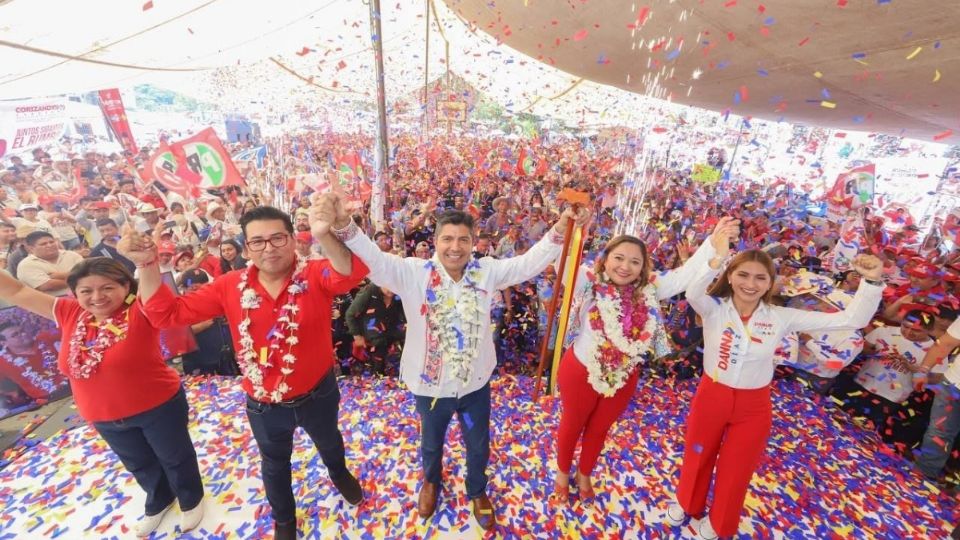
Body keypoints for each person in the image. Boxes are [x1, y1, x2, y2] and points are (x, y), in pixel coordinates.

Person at [332, 192, 589, 531]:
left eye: (463, 240)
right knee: (431, 442)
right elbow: (375, 259)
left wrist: (560, 227)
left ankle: (477, 490)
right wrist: (342, 224)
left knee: (478, 443)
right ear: (435, 240)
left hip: (474, 385)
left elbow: (528, 263)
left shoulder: (487, 271)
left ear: (473, 243)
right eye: (448, 239)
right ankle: (431, 481)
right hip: (428, 385)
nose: (455, 247)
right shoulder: (411, 273)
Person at [120, 204, 369, 540]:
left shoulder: (313, 275)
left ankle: (339, 474)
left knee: (330, 443)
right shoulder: (229, 285)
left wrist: (326, 233)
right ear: (247, 247)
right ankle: (284, 519)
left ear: (294, 239)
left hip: (318, 392)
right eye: (258, 242)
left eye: (278, 238)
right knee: (274, 463)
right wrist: (146, 264)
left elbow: (352, 273)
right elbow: (166, 314)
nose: (269, 248)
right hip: (263, 402)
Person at [666, 217, 885, 539]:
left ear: (770, 283)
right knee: (697, 454)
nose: (750, 284)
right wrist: (717, 252)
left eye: (760, 277)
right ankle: (687, 503)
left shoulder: (782, 317)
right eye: (742, 274)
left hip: (753, 406)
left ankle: (718, 524)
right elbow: (695, 288)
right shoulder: (713, 308)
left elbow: (852, 318)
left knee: (736, 469)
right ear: (730, 275)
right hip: (711, 394)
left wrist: (872, 282)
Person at [0, 257, 205, 536]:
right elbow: (17, 291)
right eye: (86, 291)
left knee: (175, 457)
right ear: (75, 293)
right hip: (103, 414)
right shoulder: (69, 312)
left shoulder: (141, 309)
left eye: (107, 288)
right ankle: (160, 499)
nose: (97, 297)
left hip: (158, 406)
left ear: (125, 286)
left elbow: (150, 285)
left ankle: (191, 498)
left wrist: (145, 260)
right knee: (138, 462)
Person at [553, 221, 728, 503]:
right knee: (572, 424)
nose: (625, 267)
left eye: (634, 261)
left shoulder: (650, 289)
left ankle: (584, 473)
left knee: (599, 429)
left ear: (643, 267)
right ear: (605, 259)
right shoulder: (588, 282)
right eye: (618, 258)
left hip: (623, 377)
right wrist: (572, 224)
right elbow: (561, 261)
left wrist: (713, 246)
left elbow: (684, 276)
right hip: (580, 371)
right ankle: (562, 473)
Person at [912, 315, 960, 482]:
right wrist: (923, 370)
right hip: (953, 384)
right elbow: (946, 343)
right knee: (938, 432)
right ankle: (923, 477)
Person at [17, 231, 84, 296]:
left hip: (80, 296)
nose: (49, 245)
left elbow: (89, 274)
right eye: (43, 244)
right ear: (31, 248)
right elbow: (48, 286)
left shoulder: (72, 255)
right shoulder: (26, 265)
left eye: (52, 242)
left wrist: (60, 275)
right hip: (50, 302)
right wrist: (79, 279)